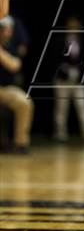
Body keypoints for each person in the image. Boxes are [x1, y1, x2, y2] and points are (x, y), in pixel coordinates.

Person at [53, 16, 84, 143]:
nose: (74, 29)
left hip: (78, 78)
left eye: (76, 26)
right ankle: (60, 134)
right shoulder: (59, 40)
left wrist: (81, 72)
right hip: (62, 79)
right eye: (71, 26)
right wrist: (62, 70)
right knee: (61, 107)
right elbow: (53, 57)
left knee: (83, 106)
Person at [0, 16, 34, 153]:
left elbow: (14, 66)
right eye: (5, 30)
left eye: (9, 29)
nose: (9, 32)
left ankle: (21, 143)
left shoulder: (11, 47)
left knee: (25, 102)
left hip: (7, 89)